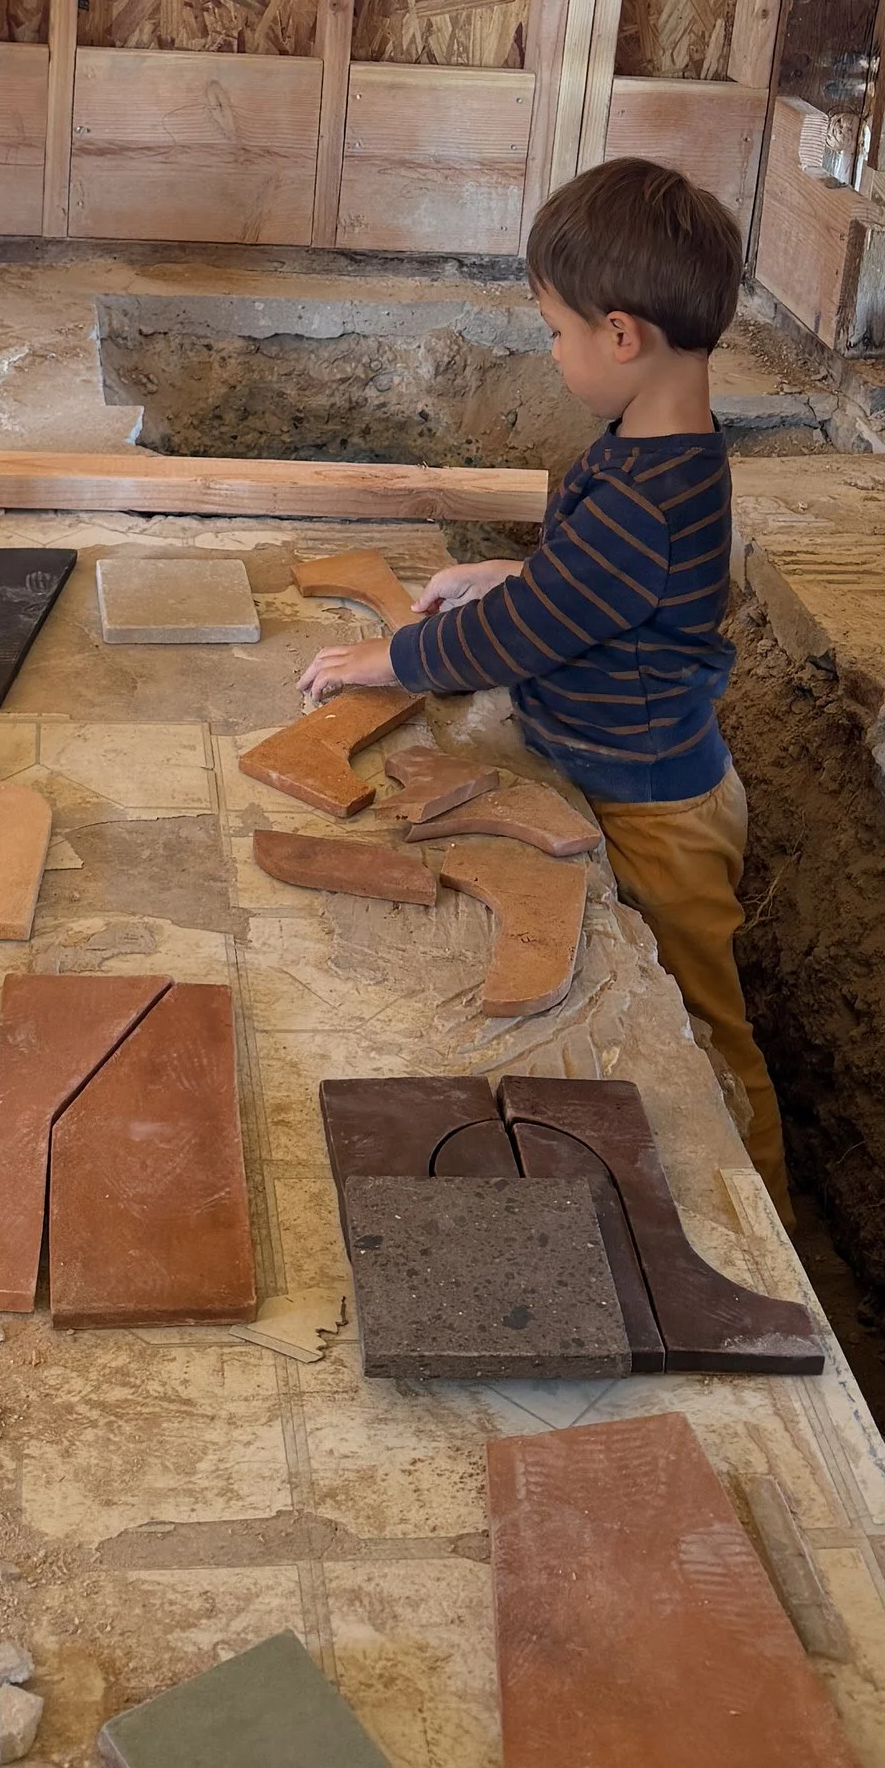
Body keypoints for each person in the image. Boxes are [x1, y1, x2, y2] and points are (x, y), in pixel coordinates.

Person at [299, 155, 791, 1211]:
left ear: (622, 336)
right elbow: (596, 587)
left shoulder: (644, 500)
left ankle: (763, 1209)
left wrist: (385, 660)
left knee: (702, 1017)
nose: (552, 350)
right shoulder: (657, 452)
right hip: (619, 769)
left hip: (656, 809)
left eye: (556, 332)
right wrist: (516, 568)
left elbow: (511, 642)